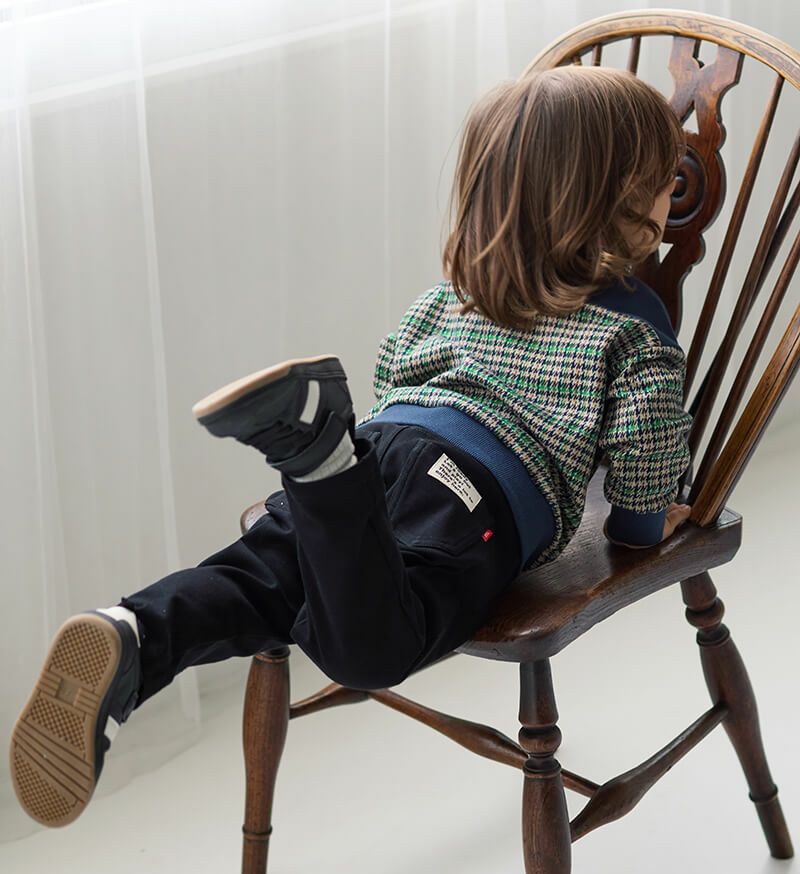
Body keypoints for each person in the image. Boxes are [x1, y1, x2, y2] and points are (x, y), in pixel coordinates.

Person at [9, 64, 694, 829]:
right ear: (614, 203)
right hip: (476, 495)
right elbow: (646, 451)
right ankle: (324, 469)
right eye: (664, 182)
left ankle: (136, 629)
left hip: (385, 443)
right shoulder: (632, 325)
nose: (673, 195)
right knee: (370, 651)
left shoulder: (452, 296)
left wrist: (371, 467)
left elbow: (392, 368)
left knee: (265, 580)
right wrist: (642, 526)